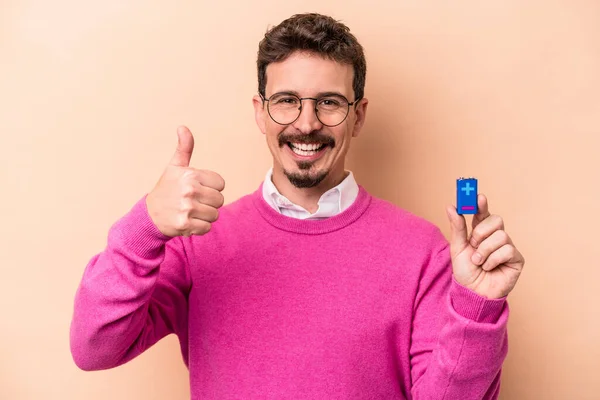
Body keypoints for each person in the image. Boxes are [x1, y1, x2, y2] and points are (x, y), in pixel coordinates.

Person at [70, 12, 525, 399]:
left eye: (329, 103)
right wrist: (145, 225)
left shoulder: (422, 250)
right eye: (287, 101)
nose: (306, 124)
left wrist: (476, 308)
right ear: (260, 112)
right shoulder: (198, 241)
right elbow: (95, 348)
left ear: (358, 115)